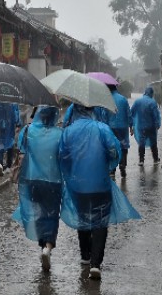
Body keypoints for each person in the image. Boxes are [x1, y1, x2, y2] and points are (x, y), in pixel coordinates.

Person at [58, 105, 141, 280]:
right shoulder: (103, 129)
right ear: (94, 110)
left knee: (83, 217)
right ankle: (96, 264)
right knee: (101, 220)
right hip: (100, 183)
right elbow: (114, 152)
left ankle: (85, 255)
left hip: (78, 185)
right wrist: (106, 164)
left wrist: (72, 173)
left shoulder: (68, 132)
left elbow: (62, 156)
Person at [10, 105, 63, 272]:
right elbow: (63, 156)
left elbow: (20, 149)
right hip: (53, 180)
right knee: (52, 215)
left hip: (32, 179)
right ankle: (47, 247)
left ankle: (43, 246)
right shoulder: (60, 134)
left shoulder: (28, 130)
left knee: (39, 213)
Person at [98, 84, 131, 178]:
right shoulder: (123, 99)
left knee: (112, 147)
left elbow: (104, 116)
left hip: (111, 128)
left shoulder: (107, 100)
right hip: (123, 127)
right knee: (124, 146)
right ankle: (123, 165)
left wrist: (104, 128)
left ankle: (112, 169)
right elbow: (128, 113)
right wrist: (131, 126)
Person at [130, 86, 162, 165]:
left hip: (141, 127)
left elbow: (131, 113)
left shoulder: (138, 101)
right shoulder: (152, 102)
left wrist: (131, 125)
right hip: (151, 127)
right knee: (153, 142)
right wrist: (157, 124)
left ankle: (141, 160)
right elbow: (155, 115)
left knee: (142, 143)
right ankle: (155, 159)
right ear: (151, 93)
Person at [0, 101, 21, 173]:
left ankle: (0, 163)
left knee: (0, 143)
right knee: (10, 143)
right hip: (9, 124)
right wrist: (18, 123)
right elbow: (16, 112)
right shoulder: (13, 100)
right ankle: (9, 165)